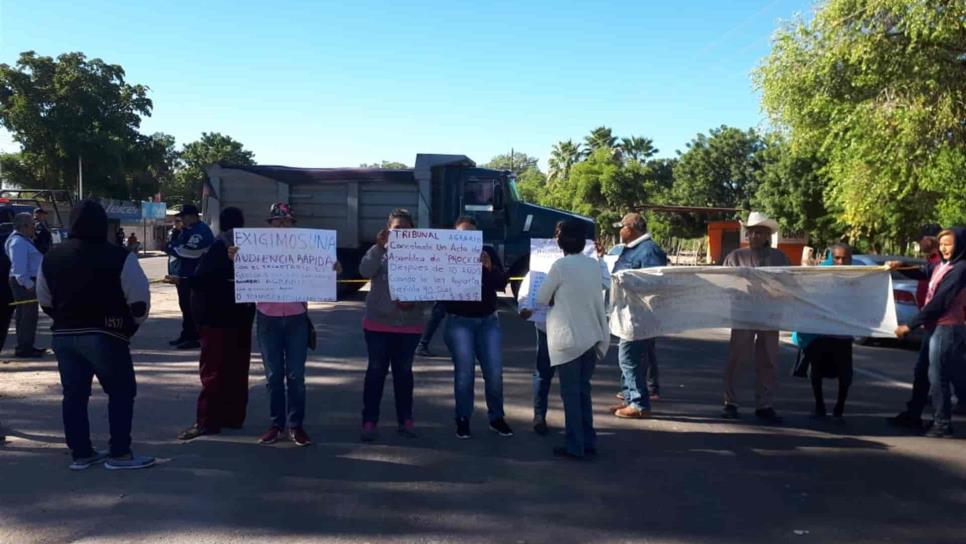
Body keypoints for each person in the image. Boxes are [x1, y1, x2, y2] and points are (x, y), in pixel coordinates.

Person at [37, 199, 155, 470]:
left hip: (64, 335)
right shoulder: (119, 256)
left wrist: (63, 320)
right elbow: (138, 300)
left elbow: (44, 298)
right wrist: (130, 326)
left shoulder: (52, 256)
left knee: (74, 395)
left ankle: (81, 453)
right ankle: (120, 453)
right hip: (106, 333)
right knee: (121, 392)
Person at [170, 207, 256, 441]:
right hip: (242, 318)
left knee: (213, 371)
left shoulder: (218, 248)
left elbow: (203, 281)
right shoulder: (251, 248)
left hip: (216, 319)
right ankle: (234, 416)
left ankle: (207, 420)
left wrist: (184, 281)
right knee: (237, 369)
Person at [238, 203, 314, 446]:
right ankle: (276, 424)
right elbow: (244, 273)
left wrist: (333, 268)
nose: (282, 226)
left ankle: (296, 425)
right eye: (277, 222)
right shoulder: (255, 249)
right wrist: (236, 257)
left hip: (296, 317)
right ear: (269, 225)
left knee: (296, 375)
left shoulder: (307, 249)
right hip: (267, 316)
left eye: (286, 222)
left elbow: (322, 274)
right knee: (273, 376)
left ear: (293, 225)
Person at [536, 219, 610, 459]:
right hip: (591, 336)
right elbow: (604, 283)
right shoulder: (592, 265)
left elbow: (540, 298)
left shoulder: (559, 266)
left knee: (570, 394)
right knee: (583, 392)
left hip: (568, 340)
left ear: (560, 241)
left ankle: (574, 445)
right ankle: (588, 440)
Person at [358, 208, 428, 442]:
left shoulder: (423, 253)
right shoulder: (379, 251)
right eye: (397, 228)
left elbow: (434, 284)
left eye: (406, 229)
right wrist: (378, 248)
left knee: (404, 374)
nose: (402, 232)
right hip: (378, 324)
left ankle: (405, 420)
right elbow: (364, 271)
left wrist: (415, 302)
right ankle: (369, 421)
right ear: (388, 229)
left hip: (410, 325)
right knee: (376, 373)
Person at [890, 228, 966, 438]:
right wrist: (901, 266)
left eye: (948, 244)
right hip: (933, 327)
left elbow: (940, 302)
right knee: (921, 373)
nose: (944, 248)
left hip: (947, 327)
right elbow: (923, 271)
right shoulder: (943, 265)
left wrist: (910, 325)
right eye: (941, 244)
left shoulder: (960, 269)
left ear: (959, 244)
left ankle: (942, 424)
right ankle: (913, 414)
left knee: (938, 376)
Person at [443, 216, 513, 439]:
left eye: (471, 235)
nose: (467, 239)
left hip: (488, 321)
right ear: (455, 236)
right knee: (465, 374)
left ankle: (496, 417)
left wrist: (489, 267)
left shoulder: (488, 253)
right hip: (459, 321)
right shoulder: (445, 254)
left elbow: (502, 284)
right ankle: (462, 418)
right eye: (462, 234)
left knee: (494, 373)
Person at [721, 211, 789, 423]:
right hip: (743, 313)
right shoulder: (735, 257)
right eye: (751, 232)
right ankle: (730, 402)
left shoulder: (779, 257)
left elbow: (789, 283)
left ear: (768, 235)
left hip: (770, 314)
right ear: (746, 234)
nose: (755, 236)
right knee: (738, 357)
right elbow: (724, 283)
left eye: (760, 232)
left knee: (768, 358)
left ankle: (764, 404)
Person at [609, 212, 667, 419]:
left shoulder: (649, 251)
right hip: (628, 314)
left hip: (640, 316)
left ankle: (639, 404)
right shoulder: (633, 249)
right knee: (633, 359)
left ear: (630, 229)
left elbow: (656, 283)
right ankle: (629, 398)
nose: (619, 230)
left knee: (629, 358)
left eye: (621, 227)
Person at [793, 244, 855, 421]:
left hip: (843, 335)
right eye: (837, 258)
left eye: (845, 258)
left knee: (845, 374)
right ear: (831, 257)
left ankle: (840, 407)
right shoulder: (819, 275)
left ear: (851, 259)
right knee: (817, 371)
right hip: (821, 333)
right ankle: (819, 405)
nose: (841, 262)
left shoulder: (860, 277)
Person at [165, 204, 214, 350]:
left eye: (184, 217)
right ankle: (186, 334)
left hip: (194, 275)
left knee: (193, 308)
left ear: (192, 216)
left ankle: (194, 337)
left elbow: (189, 252)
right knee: (185, 307)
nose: (182, 220)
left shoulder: (201, 231)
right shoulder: (187, 231)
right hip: (183, 274)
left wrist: (170, 247)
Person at [5, 212, 45, 358]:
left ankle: (26, 345)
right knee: (27, 316)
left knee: (27, 316)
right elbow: (19, 269)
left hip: (25, 281)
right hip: (24, 282)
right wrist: (29, 285)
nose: (34, 228)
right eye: (32, 225)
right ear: (24, 226)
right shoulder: (18, 242)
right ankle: (25, 348)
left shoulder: (23, 240)